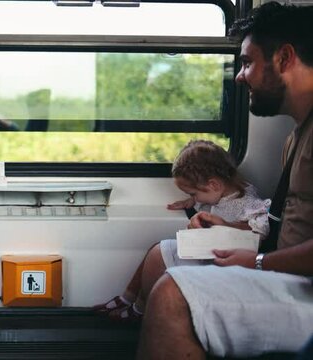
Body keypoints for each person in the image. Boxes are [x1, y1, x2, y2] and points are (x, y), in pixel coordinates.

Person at [137, 3, 313, 358]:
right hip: (285, 269)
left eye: (247, 62)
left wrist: (259, 262)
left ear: (284, 58)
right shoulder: (296, 136)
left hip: (304, 287)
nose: (239, 75)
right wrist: (232, 230)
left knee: (173, 295)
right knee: (167, 255)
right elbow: (286, 226)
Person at [92, 139, 269, 322]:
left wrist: (224, 225)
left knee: (158, 253)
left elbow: (259, 231)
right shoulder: (220, 192)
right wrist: (191, 202)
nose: (194, 199)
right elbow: (207, 198)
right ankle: (126, 298)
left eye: (193, 194)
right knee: (156, 248)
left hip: (224, 262)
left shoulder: (247, 202)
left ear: (214, 185)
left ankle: (139, 311)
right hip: (210, 250)